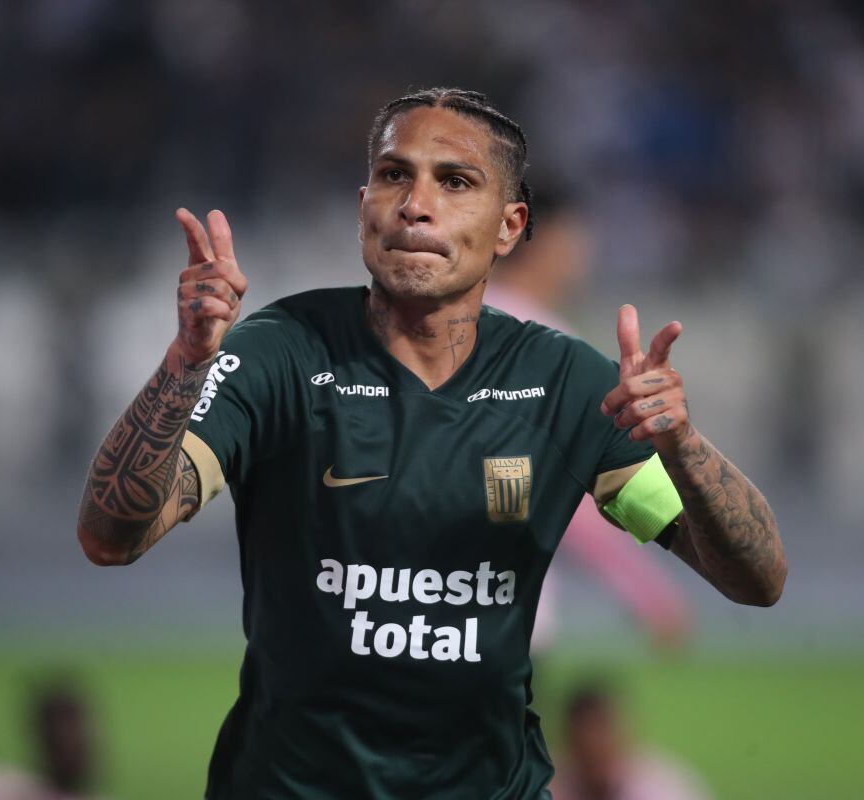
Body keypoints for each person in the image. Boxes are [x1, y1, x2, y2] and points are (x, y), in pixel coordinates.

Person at [76, 88, 786, 799]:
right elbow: (113, 535)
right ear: (363, 207)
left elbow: (756, 580)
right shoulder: (280, 355)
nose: (417, 204)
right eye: (394, 175)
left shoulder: (565, 382)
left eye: (456, 182)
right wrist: (184, 364)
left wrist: (684, 446)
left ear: (511, 227)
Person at [486, 185, 692, 653]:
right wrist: (645, 590)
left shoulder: (455, 322)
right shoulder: (541, 343)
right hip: (502, 617)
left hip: (425, 611)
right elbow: (558, 487)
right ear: (545, 239)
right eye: (576, 237)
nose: (585, 253)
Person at [550, 684, 711, 800]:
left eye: (603, 748)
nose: (595, 754)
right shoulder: (549, 786)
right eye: (586, 751)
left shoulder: (665, 789)